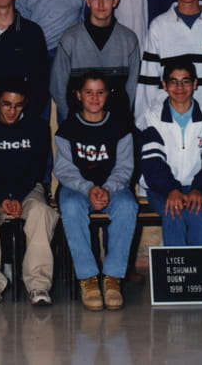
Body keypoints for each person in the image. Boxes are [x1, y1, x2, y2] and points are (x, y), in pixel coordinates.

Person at [55, 71, 138, 311]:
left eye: (100, 92)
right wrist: (89, 188)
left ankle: (113, 278)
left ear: (107, 95)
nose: (94, 98)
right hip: (78, 188)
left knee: (128, 206)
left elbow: (125, 168)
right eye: (88, 92)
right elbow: (64, 170)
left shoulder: (121, 127)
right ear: (78, 95)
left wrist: (108, 189)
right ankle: (88, 279)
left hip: (113, 187)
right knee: (70, 206)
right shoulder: (67, 128)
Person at [0, 77, 57, 308]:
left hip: (27, 188)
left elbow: (37, 169)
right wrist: (3, 198)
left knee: (41, 212)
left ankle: (38, 284)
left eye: (18, 106)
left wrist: (17, 197)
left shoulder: (38, 127)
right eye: (6, 104)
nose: (12, 111)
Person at [139, 58, 202, 245]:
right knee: (174, 211)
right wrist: (172, 190)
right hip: (161, 188)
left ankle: (201, 264)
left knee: (197, 212)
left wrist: (199, 188)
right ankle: (175, 264)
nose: (179, 87)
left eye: (185, 81)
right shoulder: (152, 117)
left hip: (198, 186)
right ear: (164, 85)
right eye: (173, 81)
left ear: (195, 84)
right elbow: (152, 163)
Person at [50, 0, 140, 124]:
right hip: (78, 124)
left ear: (115, 1)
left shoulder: (129, 40)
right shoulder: (70, 39)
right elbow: (57, 86)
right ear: (87, 1)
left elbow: (133, 88)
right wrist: (70, 119)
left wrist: (124, 119)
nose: (101, 4)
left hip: (117, 124)